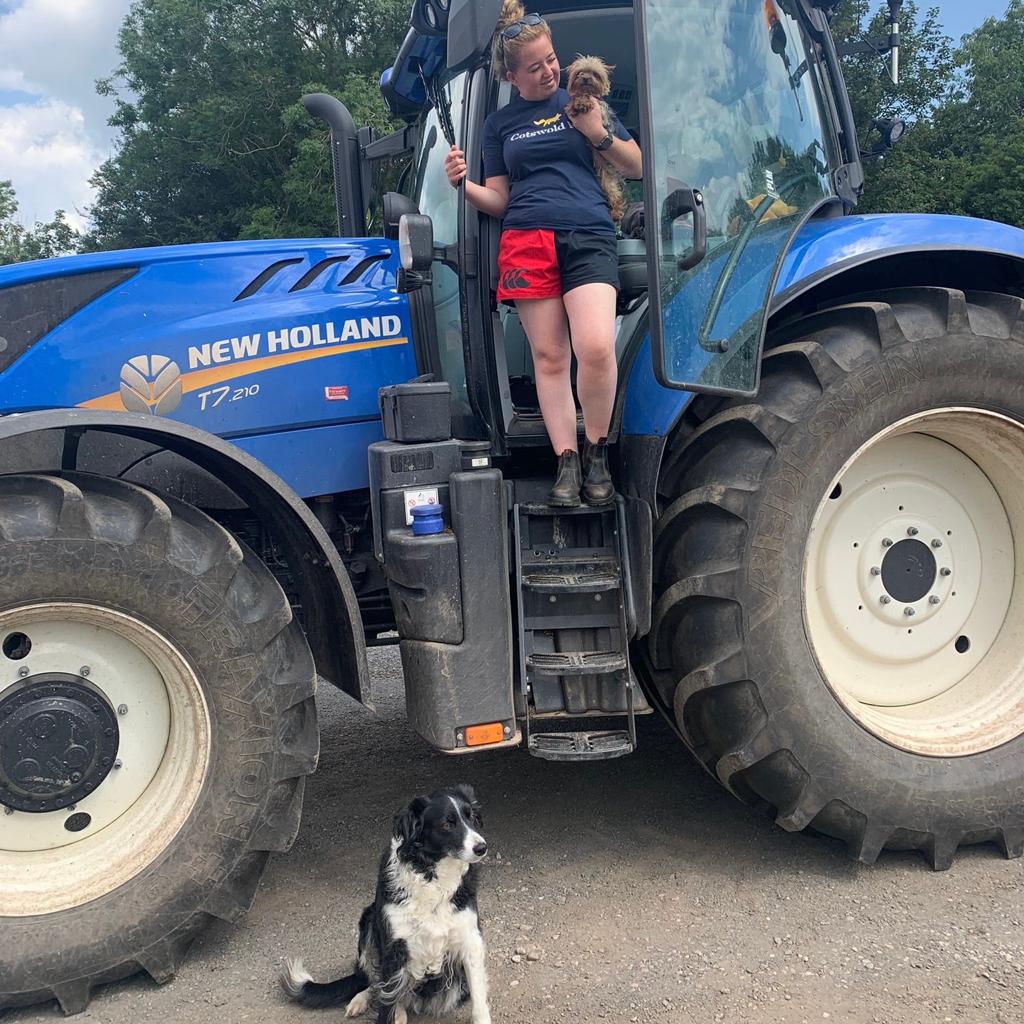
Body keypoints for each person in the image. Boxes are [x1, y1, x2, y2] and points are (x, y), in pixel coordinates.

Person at [444, 0, 642, 507]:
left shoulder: (583, 103)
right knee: (549, 357)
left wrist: (596, 133)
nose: (550, 71)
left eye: (551, 59)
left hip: (589, 232)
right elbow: (500, 198)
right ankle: (566, 463)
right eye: (535, 68)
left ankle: (598, 451)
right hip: (527, 238)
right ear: (511, 76)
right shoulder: (499, 126)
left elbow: (637, 165)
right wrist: (465, 186)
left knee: (596, 348)